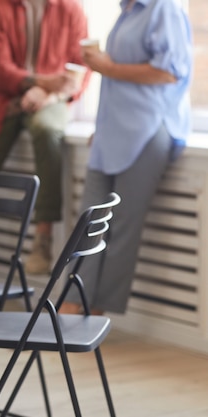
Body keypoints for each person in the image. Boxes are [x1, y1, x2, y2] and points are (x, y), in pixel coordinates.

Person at [59, 0, 193, 315]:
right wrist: (101, 124)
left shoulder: (164, 9)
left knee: (122, 230)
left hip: (146, 132)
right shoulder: (128, 10)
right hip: (111, 133)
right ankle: (70, 302)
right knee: (88, 223)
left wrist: (108, 67)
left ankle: (94, 315)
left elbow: (170, 72)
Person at [0, 0, 89, 277]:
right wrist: (38, 82)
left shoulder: (71, 9)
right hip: (3, 100)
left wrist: (48, 94)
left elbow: (80, 70)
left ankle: (43, 239)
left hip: (51, 101)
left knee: (47, 131)